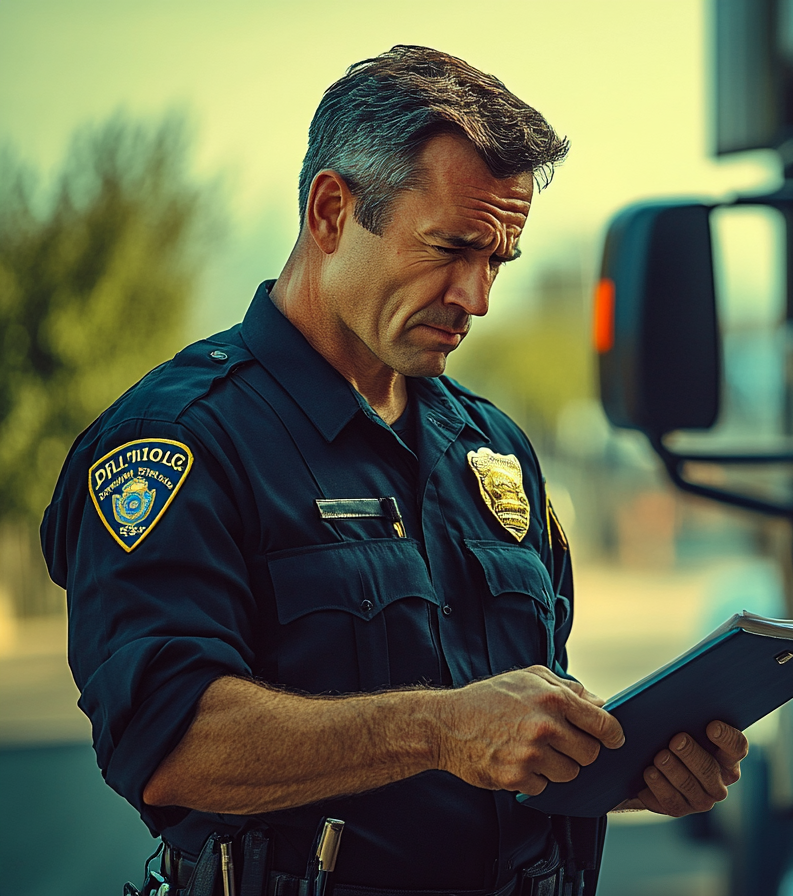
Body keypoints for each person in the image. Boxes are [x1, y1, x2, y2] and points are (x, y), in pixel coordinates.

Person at [41, 45, 748, 896]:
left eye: (497, 261)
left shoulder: (494, 449)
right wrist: (440, 730)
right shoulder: (181, 439)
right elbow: (167, 744)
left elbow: (507, 743)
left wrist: (622, 769)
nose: (476, 297)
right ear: (332, 211)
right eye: (451, 248)